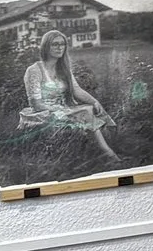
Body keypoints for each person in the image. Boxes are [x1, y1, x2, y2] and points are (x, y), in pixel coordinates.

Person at [19, 28, 116, 167]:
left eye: (62, 44)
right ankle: (109, 154)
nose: (60, 47)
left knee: (93, 108)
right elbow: (36, 104)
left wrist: (94, 101)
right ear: (46, 46)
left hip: (63, 109)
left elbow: (76, 90)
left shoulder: (63, 69)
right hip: (43, 113)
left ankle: (108, 146)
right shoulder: (34, 70)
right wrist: (60, 110)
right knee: (85, 112)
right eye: (55, 44)